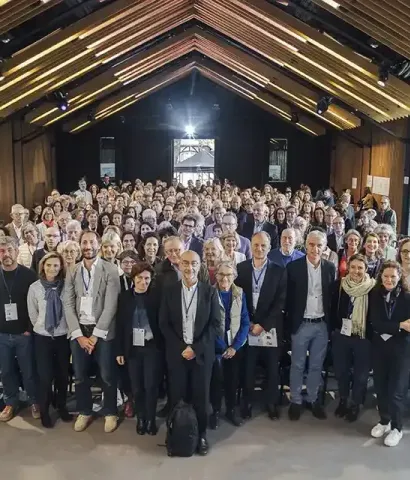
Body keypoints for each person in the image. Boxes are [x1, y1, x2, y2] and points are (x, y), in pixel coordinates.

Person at [159, 250, 221, 455]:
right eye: (185, 263)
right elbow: (164, 324)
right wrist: (181, 349)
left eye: (194, 263)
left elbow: (215, 325)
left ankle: (201, 435)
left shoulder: (209, 292)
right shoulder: (169, 290)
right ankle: (174, 434)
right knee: (176, 396)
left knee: (201, 398)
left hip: (201, 355)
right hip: (177, 355)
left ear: (199, 265)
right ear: (179, 265)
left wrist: (195, 348)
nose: (189, 267)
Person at [64, 230, 121, 433]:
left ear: (98, 245)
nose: (88, 246)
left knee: (107, 375)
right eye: (84, 242)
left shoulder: (111, 269)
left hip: (103, 332)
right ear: (80, 245)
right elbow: (67, 303)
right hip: (79, 331)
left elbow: (111, 306)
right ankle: (85, 411)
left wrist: (95, 335)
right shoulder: (72, 270)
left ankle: (110, 412)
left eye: (91, 242)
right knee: (80, 375)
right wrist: (78, 335)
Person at [236, 231, 287, 420]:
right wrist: (247, 323)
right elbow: (237, 299)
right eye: (256, 245)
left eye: (263, 246)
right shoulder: (240, 269)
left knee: (273, 369)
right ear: (250, 245)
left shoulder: (279, 270)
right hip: (247, 327)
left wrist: (263, 324)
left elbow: (281, 302)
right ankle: (247, 402)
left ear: (269, 247)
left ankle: (271, 402)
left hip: (270, 329)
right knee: (248, 368)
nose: (259, 249)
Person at [287, 230, 336, 421]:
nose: (315, 248)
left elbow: (332, 298)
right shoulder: (293, 267)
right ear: (306, 245)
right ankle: (296, 401)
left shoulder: (330, 268)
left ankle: (314, 399)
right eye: (312, 244)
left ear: (324, 248)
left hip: (321, 324)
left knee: (316, 365)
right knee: (297, 365)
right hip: (301, 324)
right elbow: (288, 299)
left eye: (319, 245)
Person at [27, 252, 72, 428]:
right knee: (44, 376)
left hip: (62, 337)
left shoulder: (66, 286)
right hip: (42, 338)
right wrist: (42, 326)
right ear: (43, 267)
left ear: (60, 267)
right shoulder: (35, 288)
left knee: (62, 374)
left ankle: (61, 405)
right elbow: (32, 313)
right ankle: (45, 410)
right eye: (48, 265)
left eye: (55, 265)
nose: (52, 268)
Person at [116, 262, 161, 435]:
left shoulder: (156, 296)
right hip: (132, 348)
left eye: (147, 278)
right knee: (136, 387)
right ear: (133, 279)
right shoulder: (125, 297)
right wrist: (119, 350)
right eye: (140, 278)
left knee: (151, 385)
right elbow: (119, 325)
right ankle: (141, 418)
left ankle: (150, 419)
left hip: (152, 347)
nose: (144, 282)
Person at [368, 261, 410, 447]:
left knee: (397, 391)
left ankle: (397, 427)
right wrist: (399, 326)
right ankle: (384, 421)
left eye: (393, 276)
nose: (389, 279)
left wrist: (395, 328)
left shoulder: (408, 298)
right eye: (386, 276)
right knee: (380, 387)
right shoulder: (375, 295)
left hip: (401, 349)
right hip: (379, 348)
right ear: (381, 277)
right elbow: (375, 323)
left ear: (399, 276)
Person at [332, 254, 375, 422]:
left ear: (366, 269)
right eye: (354, 267)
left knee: (361, 375)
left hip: (363, 338)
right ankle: (343, 400)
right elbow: (331, 308)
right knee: (341, 371)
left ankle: (355, 404)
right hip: (342, 336)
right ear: (348, 268)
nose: (356, 271)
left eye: (360, 268)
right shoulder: (339, 286)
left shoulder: (373, 289)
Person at [0, 236, 39, 422]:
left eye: (9, 250)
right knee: (5, 371)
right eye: (1, 251)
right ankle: (10, 402)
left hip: (24, 333)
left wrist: (29, 329)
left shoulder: (29, 275)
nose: (6, 254)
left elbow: (36, 305)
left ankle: (34, 400)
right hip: (1, 334)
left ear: (16, 251)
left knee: (28, 370)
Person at [210, 261, 250, 428]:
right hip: (216, 346)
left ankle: (231, 409)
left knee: (232, 380)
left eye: (229, 275)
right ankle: (216, 411)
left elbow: (245, 322)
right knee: (216, 381)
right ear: (216, 275)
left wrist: (234, 346)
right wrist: (222, 346)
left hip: (234, 346)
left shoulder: (240, 293)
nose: (225, 278)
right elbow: (208, 324)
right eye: (221, 274)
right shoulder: (210, 293)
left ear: (234, 276)